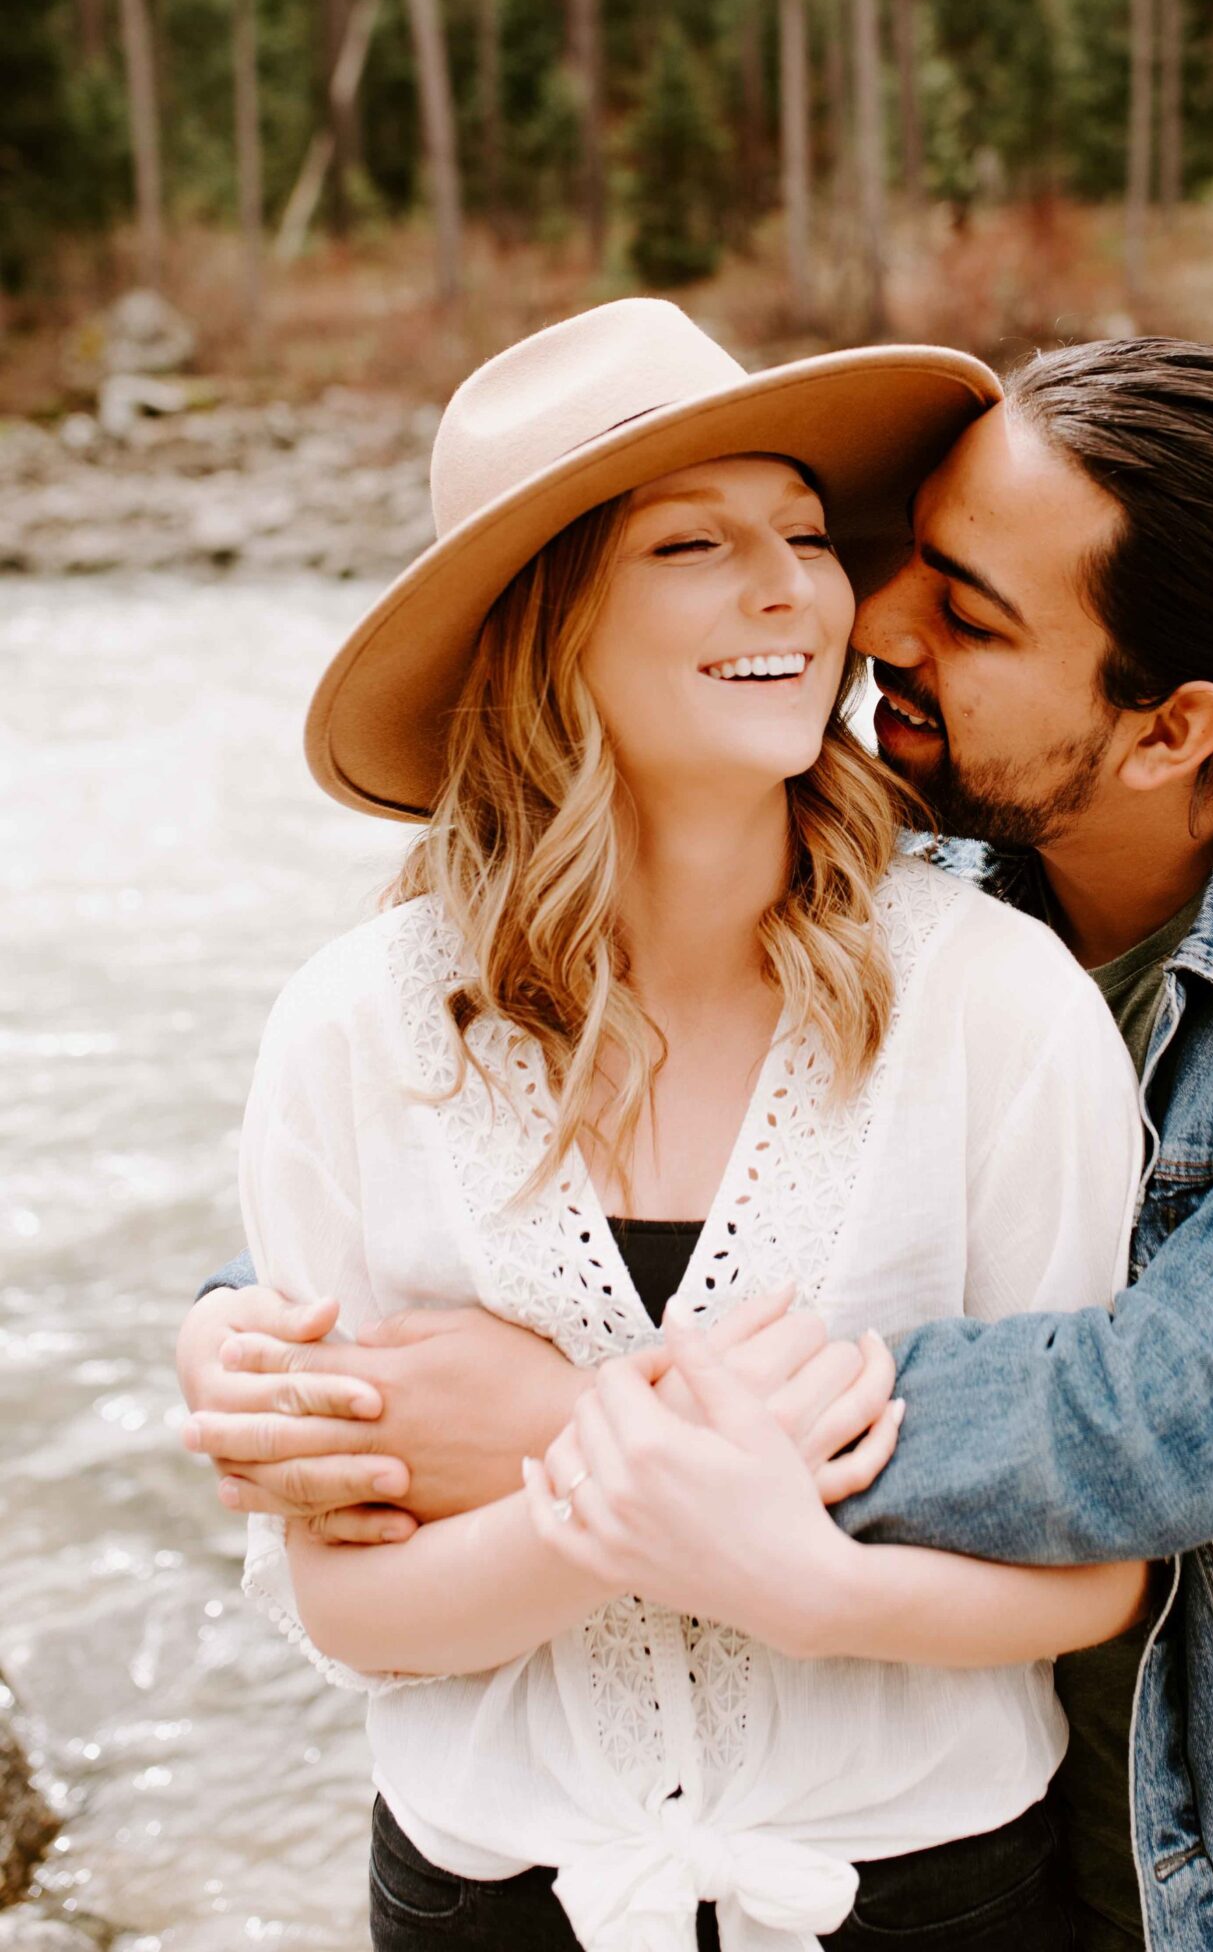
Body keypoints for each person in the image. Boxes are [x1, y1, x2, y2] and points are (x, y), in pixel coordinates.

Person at [181, 335, 1213, 1952]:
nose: (873, 623)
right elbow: (505, 1182)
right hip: (971, 1813)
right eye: (908, 558)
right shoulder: (911, 821)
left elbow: (1147, 1426)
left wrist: (584, 1435)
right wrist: (263, 1337)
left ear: (1166, 730)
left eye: (971, 613)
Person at [211, 296, 1157, 1952]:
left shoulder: (995, 1009)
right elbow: (347, 1605)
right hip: (486, 1902)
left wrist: (612, 1481)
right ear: (544, 623)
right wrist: (647, 1500)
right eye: (690, 545)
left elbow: (1090, 1578)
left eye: (801, 531)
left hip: (929, 1899)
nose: (794, 587)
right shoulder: (358, 1032)